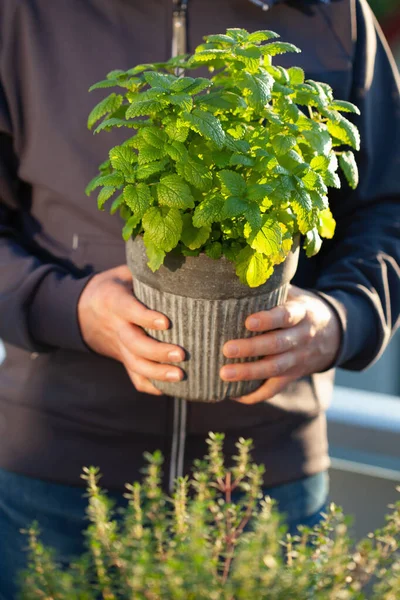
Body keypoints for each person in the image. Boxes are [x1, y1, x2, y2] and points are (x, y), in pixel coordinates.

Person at [0, 0, 399, 597]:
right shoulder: (23, 14)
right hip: (60, 474)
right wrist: (68, 308)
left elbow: (388, 208)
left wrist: (339, 319)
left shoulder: (333, 12)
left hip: (268, 478)